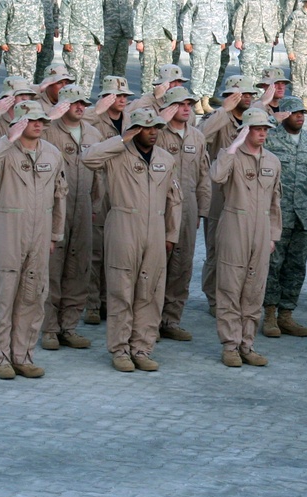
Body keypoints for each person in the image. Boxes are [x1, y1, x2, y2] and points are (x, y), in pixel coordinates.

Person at [0, 100, 68, 380]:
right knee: (2, 296)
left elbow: (59, 195)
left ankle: (23, 355)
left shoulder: (52, 153)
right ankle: (0, 357)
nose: (38, 124)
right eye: (30, 120)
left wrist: (54, 234)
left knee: (33, 297)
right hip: (7, 232)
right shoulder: (4, 151)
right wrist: (7, 138)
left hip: (39, 236)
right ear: (18, 122)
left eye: (41, 120)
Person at [83, 107, 181, 372]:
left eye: (156, 128)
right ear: (135, 129)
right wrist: (121, 139)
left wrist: (171, 233)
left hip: (155, 229)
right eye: (146, 128)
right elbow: (89, 159)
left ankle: (142, 347)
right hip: (124, 226)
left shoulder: (165, 158)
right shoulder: (116, 154)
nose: (152, 133)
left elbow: (174, 199)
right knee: (121, 291)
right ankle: (120, 350)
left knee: (150, 293)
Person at [209, 108, 282, 367]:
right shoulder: (232, 157)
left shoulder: (273, 161)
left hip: (261, 230)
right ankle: (230, 345)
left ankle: (247, 344)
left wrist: (273, 235)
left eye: (265, 129)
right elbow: (216, 176)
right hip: (234, 225)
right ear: (245, 131)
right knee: (230, 287)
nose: (262, 133)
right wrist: (232, 147)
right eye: (257, 128)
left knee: (254, 291)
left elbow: (275, 202)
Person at [40, 85, 102, 352]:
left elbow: (99, 173)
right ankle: (50, 329)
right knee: (52, 269)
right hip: (56, 209)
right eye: (74, 103)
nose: (79, 107)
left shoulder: (93, 133)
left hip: (83, 207)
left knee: (79, 268)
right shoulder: (49, 131)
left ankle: (69, 326)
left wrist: (95, 204)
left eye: (83, 104)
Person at [262, 96, 307, 339]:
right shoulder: (270, 139)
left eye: (302, 113)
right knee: (273, 265)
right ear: (283, 114)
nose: (300, 116)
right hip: (278, 215)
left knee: (296, 267)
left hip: (303, 216)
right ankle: (269, 314)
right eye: (294, 112)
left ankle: (287, 314)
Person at [158, 86, 211, 342]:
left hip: (188, 206)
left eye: (189, 103)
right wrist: (159, 123)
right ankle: (149, 320)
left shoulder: (197, 137)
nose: (187, 107)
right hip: (159, 207)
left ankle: (171, 319)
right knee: (156, 265)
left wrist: (202, 209)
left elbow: (203, 175)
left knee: (182, 266)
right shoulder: (155, 132)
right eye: (180, 104)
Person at [199, 74, 256, 317]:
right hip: (218, 193)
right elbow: (200, 136)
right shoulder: (217, 118)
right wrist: (223, 111)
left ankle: (237, 297)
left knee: (242, 249)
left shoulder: (254, 120)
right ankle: (214, 299)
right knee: (215, 247)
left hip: (245, 193)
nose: (248, 98)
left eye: (251, 94)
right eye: (243, 93)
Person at [82, 75, 132, 324]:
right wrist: (95, 110)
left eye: (124, 96)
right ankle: (92, 303)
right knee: (96, 253)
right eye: (116, 96)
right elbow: (78, 124)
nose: (122, 100)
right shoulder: (95, 119)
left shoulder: (130, 120)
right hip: (100, 189)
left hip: (124, 191)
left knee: (119, 253)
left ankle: (109, 302)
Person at [181, 0, 229, 115]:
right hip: (199, 39)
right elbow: (186, 19)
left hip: (216, 39)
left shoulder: (221, 1)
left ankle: (206, 100)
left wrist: (223, 38)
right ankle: (196, 100)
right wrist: (186, 40)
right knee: (198, 70)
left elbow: (224, 19)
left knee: (212, 70)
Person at [132, 0, 180, 91]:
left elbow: (174, 17)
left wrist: (174, 38)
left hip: (166, 38)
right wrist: (138, 40)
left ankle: (162, 96)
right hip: (148, 37)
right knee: (148, 70)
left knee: (165, 70)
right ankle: (147, 97)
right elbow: (137, 16)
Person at [59, 0, 104, 90]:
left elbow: (100, 17)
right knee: (74, 72)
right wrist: (65, 40)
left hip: (92, 41)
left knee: (89, 72)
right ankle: (71, 97)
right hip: (75, 40)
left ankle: (84, 99)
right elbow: (64, 17)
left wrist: (100, 39)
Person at [0, 0, 46, 82]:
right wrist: (2, 41)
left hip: (31, 42)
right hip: (14, 42)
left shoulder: (36, 2)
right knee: (14, 72)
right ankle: (15, 93)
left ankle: (27, 93)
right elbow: (0, 22)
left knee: (29, 71)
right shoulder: (7, 2)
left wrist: (39, 40)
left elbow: (40, 22)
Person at [232, 0, 280, 79]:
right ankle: (247, 90)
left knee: (264, 72)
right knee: (247, 70)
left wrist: (276, 35)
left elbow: (277, 19)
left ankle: (260, 91)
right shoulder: (247, 2)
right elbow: (238, 19)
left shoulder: (273, 2)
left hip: (266, 40)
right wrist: (237, 38)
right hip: (249, 39)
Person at [99, 0, 133, 79]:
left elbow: (131, 13)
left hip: (124, 35)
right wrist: (99, 37)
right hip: (108, 34)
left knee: (120, 67)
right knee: (106, 67)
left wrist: (130, 34)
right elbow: (98, 13)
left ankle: (119, 89)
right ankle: (106, 90)